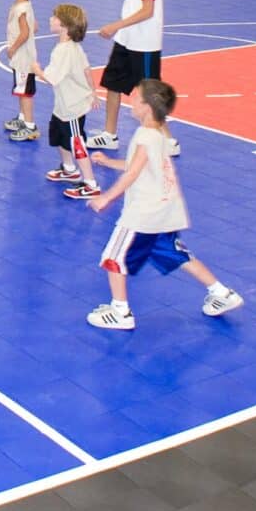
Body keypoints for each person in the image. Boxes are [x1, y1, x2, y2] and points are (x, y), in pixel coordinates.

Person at [86, 79, 243, 330]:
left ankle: (120, 312)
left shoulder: (145, 135)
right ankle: (221, 293)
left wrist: (107, 197)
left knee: (113, 258)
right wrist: (108, 162)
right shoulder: (159, 134)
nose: (131, 101)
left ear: (146, 107)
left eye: (135, 98)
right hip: (165, 210)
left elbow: (133, 173)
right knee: (176, 254)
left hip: (144, 214)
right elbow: (140, 166)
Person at [88, 0, 174, 154]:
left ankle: (166, 140)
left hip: (144, 42)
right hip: (127, 40)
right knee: (112, 83)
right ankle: (109, 135)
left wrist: (116, 25)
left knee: (151, 92)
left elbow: (148, 10)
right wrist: (121, 31)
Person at [36, 3, 101, 199]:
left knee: (76, 142)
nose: (50, 19)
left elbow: (51, 77)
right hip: (63, 105)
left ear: (64, 25)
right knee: (59, 136)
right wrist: (93, 92)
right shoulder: (72, 47)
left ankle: (90, 183)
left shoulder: (63, 51)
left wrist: (36, 69)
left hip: (72, 106)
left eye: (54, 17)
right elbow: (86, 70)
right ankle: (69, 168)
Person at [3, 0, 43, 142]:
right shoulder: (23, 6)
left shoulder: (22, 9)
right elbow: (34, 27)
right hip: (21, 58)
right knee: (21, 90)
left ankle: (30, 126)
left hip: (23, 58)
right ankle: (22, 118)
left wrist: (13, 47)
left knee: (25, 92)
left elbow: (26, 32)